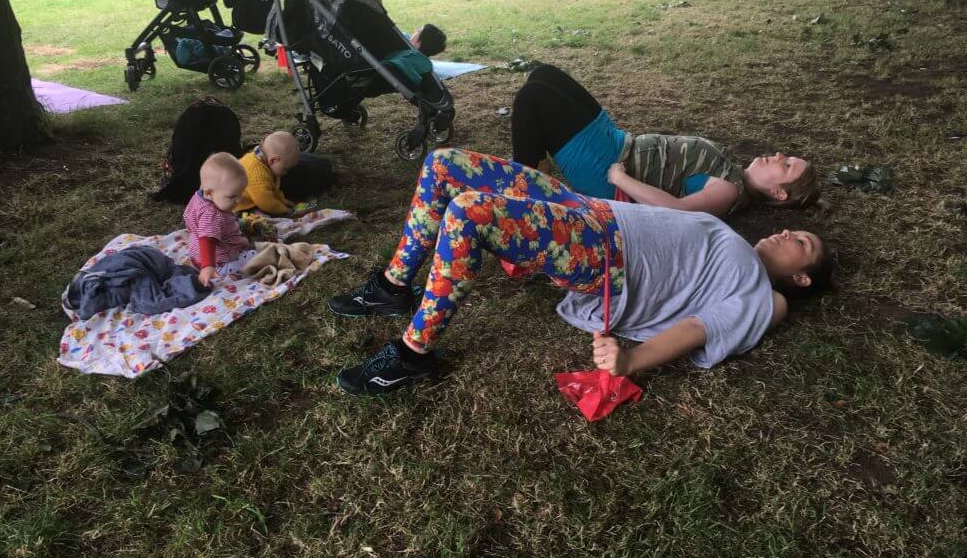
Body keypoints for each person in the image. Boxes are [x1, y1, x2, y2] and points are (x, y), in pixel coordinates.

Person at [328, 149, 834, 396]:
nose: (789, 235)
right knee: (443, 163)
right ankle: (394, 287)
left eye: (802, 244)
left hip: (607, 255)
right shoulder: (727, 233)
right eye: (795, 230)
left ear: (802, 278)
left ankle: (412, 353)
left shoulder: (765, 297)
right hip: (587, 209)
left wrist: (631, 361)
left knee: (468, 212)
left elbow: (701, 329)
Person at [512, 64, 820, 217]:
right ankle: (537, 170)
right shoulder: (732, 169)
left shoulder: (729, 189)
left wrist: (620, 178)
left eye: (788, 165)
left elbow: (676, 211)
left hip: (607, 168)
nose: (780, 155)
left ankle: (522, 197)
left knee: (532, 97)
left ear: (778, 192)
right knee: (544, 74)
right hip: (618, 142)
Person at [185, 153, 252, 287]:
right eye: (232, 196)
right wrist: (208, 266)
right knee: (255, 256)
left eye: (241, 193)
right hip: (218, 263)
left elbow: (189, 221)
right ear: (209, 192)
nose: (239, 200)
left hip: (195, 255)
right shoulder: (213, 215)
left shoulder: (198, 197)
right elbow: (207, 240)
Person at [234, 131, 302, 216]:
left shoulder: (263, 161)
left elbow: (272, 189)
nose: (286, 173)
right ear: (273, 160)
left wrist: (283, 201)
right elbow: (265, 201)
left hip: (254, 199)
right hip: (239, 206)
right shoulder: (256, 173)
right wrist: (284, 210)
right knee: (262, 218)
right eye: (285, 169)